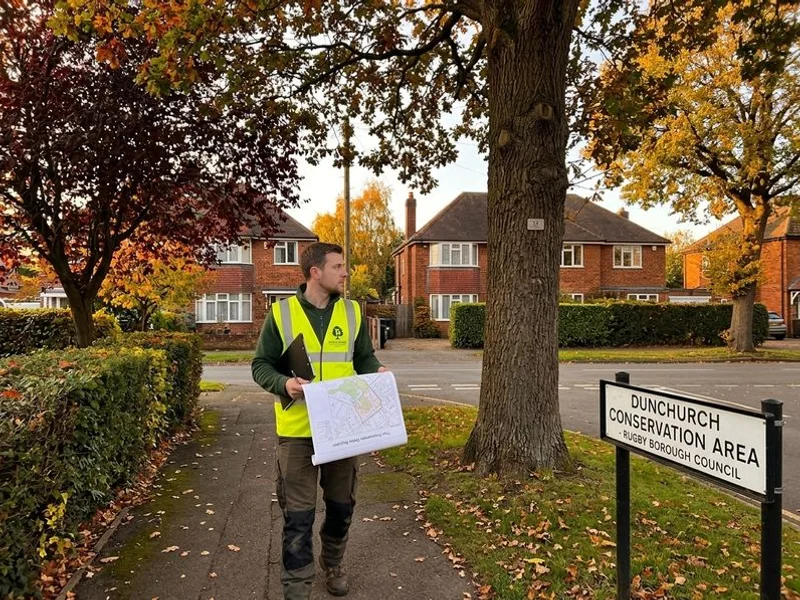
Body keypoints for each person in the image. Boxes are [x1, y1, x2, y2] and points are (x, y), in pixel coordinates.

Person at [252, 242, 386, 599]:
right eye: (338, 266)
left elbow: (364, 358)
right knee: (298, 517)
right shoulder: (281, 314)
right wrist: (284, 384)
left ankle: (333, 561)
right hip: (297, 433)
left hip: (343, 430)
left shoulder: (353, 312)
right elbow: (260, 365)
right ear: (316, 272)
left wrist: (377, 371)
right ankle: (297, 586)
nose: (345, 272)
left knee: (342, 507)